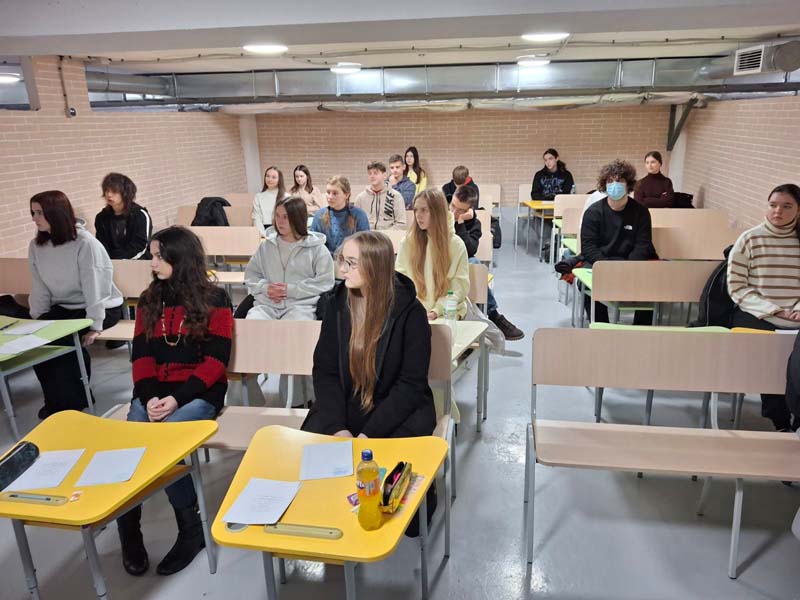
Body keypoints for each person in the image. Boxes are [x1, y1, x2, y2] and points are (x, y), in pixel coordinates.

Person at [116, 226, 233, 577]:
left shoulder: (215, 299)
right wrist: (151, 396)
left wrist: (175, 399)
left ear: (179, 258)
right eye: (152, 256)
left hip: (198, 392)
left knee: (165, 443)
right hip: (154, 391)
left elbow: (216, 362)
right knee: (131, 443)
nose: (152, 263)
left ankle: (191, 531)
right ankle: (129, 531)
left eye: (158, 256)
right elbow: (141, 357)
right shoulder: (149, 299)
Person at [302, 230, 437, 535]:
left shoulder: (410, 312)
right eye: (342, 260)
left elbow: (410, 385)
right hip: (349, 403)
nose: (342, 269)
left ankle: (419, 498)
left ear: (375, 267)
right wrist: (338, 427)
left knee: (400, 508)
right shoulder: (336, 304)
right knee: (316, 466)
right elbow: (325, 371)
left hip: (396, 407)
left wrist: (367, 436)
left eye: (351, 263)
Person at [28, 191, 124, 418]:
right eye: (33, 213)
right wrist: (39, 319)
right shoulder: (36, 246)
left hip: (102, 307)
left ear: (56, 213)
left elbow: (95, 287)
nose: (34, 218)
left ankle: (75, 399)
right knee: (40, 339)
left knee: (64, 338)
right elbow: (39, 285)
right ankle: (55, 399)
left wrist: (95, 325)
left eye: (40, 213)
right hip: (65, 307)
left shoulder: (85, 243)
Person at [244, 196, 335, 406]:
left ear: (297, 218)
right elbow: (251, 276)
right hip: (267, 304)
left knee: (296, 337)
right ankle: (250, 394)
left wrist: (291, 291)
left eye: (285, 216)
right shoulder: (266, 246)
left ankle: (298, 400)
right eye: (277, 216)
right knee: (250, 328)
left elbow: (325, 282)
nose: (280, 221)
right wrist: (266, 288)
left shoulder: (316, 248)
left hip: (300, 306)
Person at [728, 183, 800, 432]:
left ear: (798, 210)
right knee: (768, 355)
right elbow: (737, 288)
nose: (778, 211)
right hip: (758, 313)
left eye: (787, 206)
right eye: (773, 205)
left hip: (796, 315)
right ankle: (780, 422)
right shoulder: (749, 239)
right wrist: (774, 310)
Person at [580, 160, 657, 324]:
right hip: (601, 262)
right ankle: (602, 327)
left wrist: (626, 269)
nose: (614, 185)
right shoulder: (593, 212)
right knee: (585, 283)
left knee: (651, 282)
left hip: (631, 264)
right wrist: (608, 267)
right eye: (610, 181)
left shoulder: (641, 212)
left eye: (619, 180)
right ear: (604, 185)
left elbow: (643, 245)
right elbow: (588, 247)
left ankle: (640, 330)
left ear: (628, 184)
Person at [450, 185, 524, 340]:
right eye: (453, 206)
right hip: (442, 262)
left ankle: (493, 314)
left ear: (469, 210)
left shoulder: (474, 224)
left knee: (475, 264)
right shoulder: (440, 217)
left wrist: (460, 223)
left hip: (461, 263)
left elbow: (469, 250)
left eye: (460, 210)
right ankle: (493, 315)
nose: (454, 212)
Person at [396, 189, 469, 321]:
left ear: (437, 212)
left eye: (424, 210)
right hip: (414, 314)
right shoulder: (407, 243)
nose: (418, 215)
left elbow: (458, 288)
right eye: (416, 210)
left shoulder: (456, 245)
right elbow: (401, 282)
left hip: (446, 313)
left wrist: (436, 311)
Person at [94, 172, 153, 260]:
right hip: (111, 263)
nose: (109, 195)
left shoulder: (140, 215)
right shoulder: (101, 217)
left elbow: (140, 246)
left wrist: (119, 260)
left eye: (114, 191)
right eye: (107, 191)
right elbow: (102, 245)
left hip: (138, 262)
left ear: (125, 193)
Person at [310, 175, 370, 255]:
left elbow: (365, 244)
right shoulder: (320, 215)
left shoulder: (359, 215)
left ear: (346, 195)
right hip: (326, 259)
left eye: (335, 193)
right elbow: (314, 244)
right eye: (328, 192)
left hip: (352, 259)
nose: (330, 197)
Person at [353, 161, 406, 231]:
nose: (372, 176)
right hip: (366, 236)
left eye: (375, 173)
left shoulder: (396, 196)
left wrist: (384, 234)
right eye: (370, 173)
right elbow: (354, 224)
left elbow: (401, 224)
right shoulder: (360, 198)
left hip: (388, 236)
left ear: (384, 175)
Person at [252, 166, 286, 236]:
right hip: (263, 232)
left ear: (279, 180)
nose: (270, 179)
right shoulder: (258, 196)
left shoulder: (286, 197)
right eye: (267, 176)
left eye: (274, 177)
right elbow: (256, 218)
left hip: (283, 232)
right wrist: (262, 234)